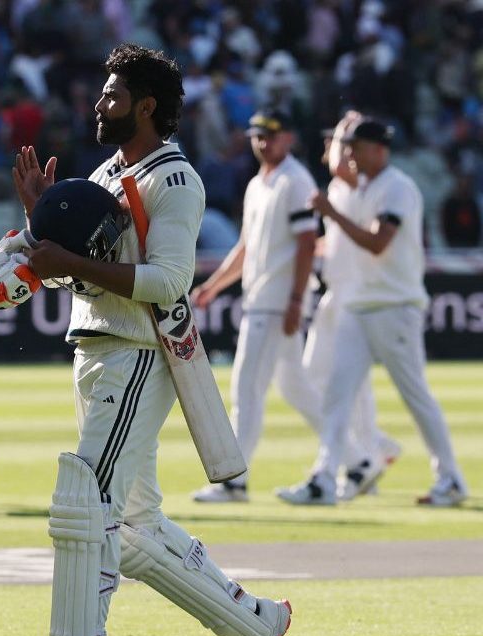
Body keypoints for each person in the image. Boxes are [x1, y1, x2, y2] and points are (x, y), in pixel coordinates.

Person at [13, 44, 291, 636]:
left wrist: (67, 259)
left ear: (144, 106)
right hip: (95, 348)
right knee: (135, 526)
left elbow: (168, 282)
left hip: (138, 356)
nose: (98, 103)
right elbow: (73, 276)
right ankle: (257, 623)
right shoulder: (106, 176)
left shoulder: (175, 179)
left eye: (112, 95)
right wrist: (42, 221)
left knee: (87, 509)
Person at [277, 117, 470, 507]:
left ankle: (450, 478)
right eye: (347, 146)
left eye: (356, 147)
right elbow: (345, 204)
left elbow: (379, 243)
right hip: (358, 306)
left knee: (415, 396)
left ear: (379, 150)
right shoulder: (362, 187)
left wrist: (331, 213)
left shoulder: (398, 187)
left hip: (395, 306)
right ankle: (324, 479)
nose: (349, 153)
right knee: (336, 396)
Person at [188, 108, 324, 503]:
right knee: (295, 388)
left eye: (271, 135)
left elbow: (307, 244)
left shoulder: (295, 180)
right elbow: (246, 248)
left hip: (276, 302)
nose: (263, 142)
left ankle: (234, 480)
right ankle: (358, 456)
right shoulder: (256, 184)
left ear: (289, 138)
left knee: (246, 388)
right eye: (257, 135)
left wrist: (296, 299)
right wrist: (214, 286)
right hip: (262, 299)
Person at [301, 111, 401, 501]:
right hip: (336, 292)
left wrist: (345, 132)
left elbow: (340, 166)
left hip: (352, 294)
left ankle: (365, 456)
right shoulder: (341, 189)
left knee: (347, 382)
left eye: (341, 143)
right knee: (324, 377)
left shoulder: (353, 182)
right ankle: (371, 449)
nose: (333, 149)